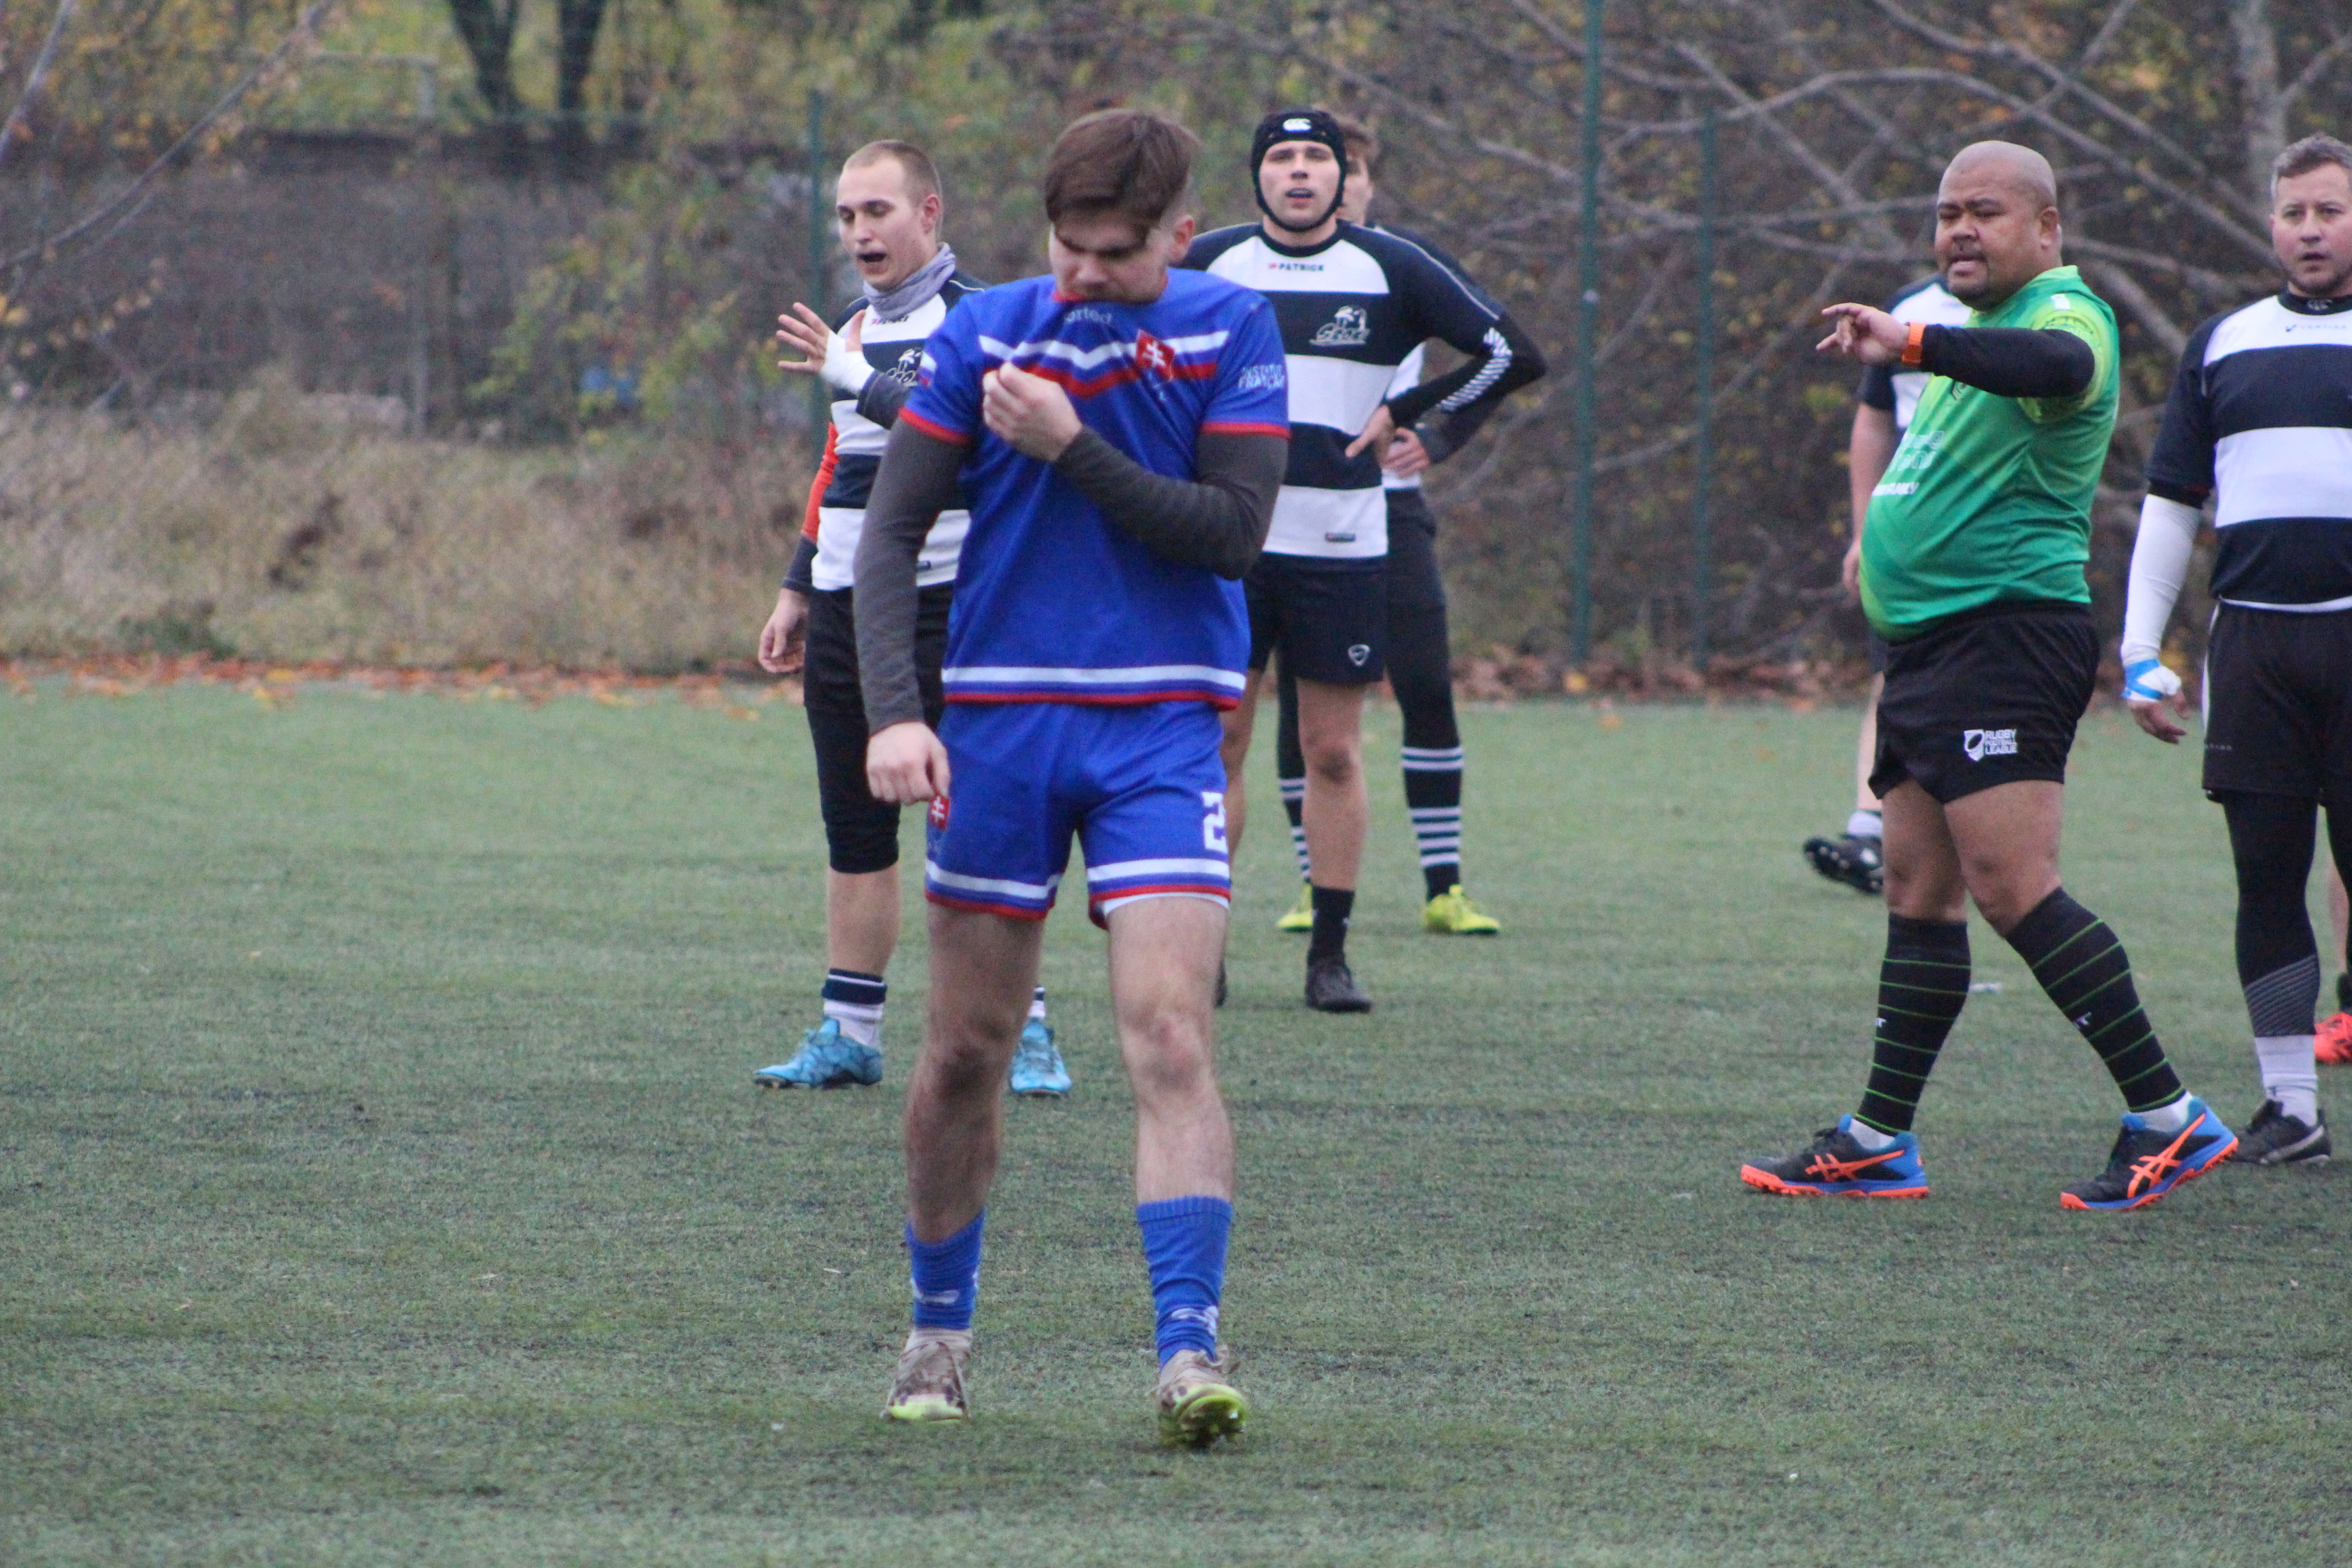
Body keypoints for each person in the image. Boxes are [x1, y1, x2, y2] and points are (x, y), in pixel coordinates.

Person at [853, 109, 1289, 1441]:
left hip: (1162, 726)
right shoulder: (986, 334)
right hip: (1001, 730)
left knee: (1170, 1036)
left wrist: (1071, 446)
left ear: (1180, 233)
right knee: (964, 1054)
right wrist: (896, 715)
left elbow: (1230, 535)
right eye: (1067, 246)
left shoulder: (1233, 328)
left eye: (1117, 252)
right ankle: (937, 1338)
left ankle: (1188, 1352)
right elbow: (890, 536)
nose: (1085, 273)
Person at [1740, 141, 2237, 1210]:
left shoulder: (2063, 312)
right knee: (1917, 891)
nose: (1959, 229)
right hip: (1927, 651)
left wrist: (1917, 340)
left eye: (1986, 212)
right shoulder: (1976, 329)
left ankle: (2170, 1115)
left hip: (2005, 641)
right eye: (1946, 213)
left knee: (2014, 887)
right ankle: (1879, 1140)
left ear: (2047, 228)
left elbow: (2062, 372)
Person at [1185, 109, 1544, 1010]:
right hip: (1228, 548)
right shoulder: (1208, 262)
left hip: (1342, 546)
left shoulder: (1392, 266)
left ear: (1343, 175)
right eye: (1282, 157)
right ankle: (1200, 950)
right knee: (1216, 744)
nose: (1300, 171)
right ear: (1257, 175)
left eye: (1318, 157)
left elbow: (1514, 354)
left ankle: (1329, 957)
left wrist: (1411, 410)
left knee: (1334, 752)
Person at [752, 140, 1072, 1098]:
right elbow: (839, 465)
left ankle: (1026, 1031)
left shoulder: (984, 319)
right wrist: (798, 584)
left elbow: (973, 440)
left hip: (956, 607)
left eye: (878, 211)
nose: (859, 232)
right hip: (847, 608)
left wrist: (853, 377)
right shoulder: (851, 329)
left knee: (980, 828)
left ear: (929, 213)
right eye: (846, 215)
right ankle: (850, 1031)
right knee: (854, 827)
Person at [2120, 132, 2352, 1165]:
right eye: (2294, 213)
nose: (2310, 230)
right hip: (2252, 649)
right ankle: (2291, 1109)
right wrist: (2140, 649)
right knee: (2266, 878)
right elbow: (2173, 504)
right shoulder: (2223, 342)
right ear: (2271, 224)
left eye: (2330, 210)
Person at [1803, 276, 1971, 896]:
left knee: (1981, 691)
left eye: (1982, 224)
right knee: (1893, 680)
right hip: (1911, 544)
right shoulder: (1908, 310)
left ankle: (1977, 836)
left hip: (1995, 545)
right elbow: (1873, 424)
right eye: (1947, 226)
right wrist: (1862, 532)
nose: (1963, 235)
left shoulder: (2047, 314)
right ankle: (1870, 830)